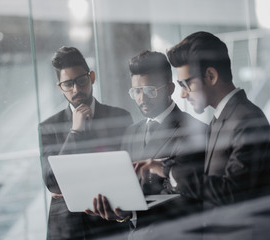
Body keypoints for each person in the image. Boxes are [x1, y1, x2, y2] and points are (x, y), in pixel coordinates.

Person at [135, 32, 270, 239]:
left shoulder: (246, 119)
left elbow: (233, 193)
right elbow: (210, 187)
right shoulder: (220, 119)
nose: (183, 94)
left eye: (186, 84)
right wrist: (165, 169)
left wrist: (171, 173)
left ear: (211, 76)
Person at [86, 50, 207, 239]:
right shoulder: (132, 132)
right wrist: (117, 210)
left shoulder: (195, 131)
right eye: (136, 91)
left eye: (150, 90)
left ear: (169, 88)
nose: (142, 99)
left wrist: (130, 213)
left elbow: (187, 198)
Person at [39, 46, 133, 240]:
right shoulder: (48, 127)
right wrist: (75, 132)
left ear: (91, 77)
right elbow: (53, 183)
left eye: (81, 81)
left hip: (110, 225)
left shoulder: (120, 117)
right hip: (66, 228)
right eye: (68, 84)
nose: (76, 89)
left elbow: (128, 174)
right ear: (60, 87)